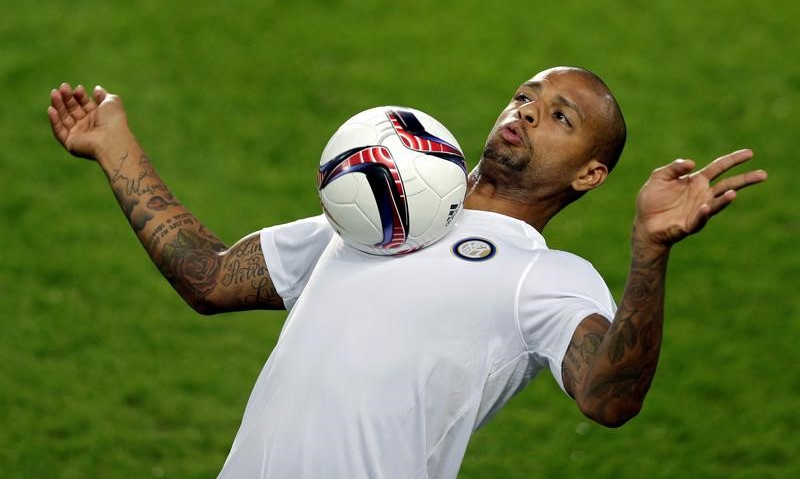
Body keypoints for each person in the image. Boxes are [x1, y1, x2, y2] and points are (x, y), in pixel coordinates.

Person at [48, 67, 766, 478]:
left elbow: (609, 398)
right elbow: (208, 277)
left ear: (591, 172)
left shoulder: (543, 275)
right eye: (525, 95)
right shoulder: (378, 211)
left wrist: (649, 250)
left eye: (559, 115)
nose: (525, 111)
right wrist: (114, 146)